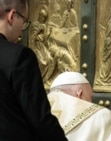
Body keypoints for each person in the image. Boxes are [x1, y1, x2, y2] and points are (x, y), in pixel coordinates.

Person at [0, 0, 68, 140]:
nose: (22, 29)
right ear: (12, 16)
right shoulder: (19, 57)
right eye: (24, 21)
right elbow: (40, 119)